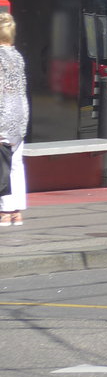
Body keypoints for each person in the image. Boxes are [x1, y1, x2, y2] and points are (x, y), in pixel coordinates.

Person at [0, 12, 30, 227]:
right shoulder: (17, 56)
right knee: (16, 164)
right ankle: (17, 211)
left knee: (2, 164)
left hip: (3, 116)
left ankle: (4, 210)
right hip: (19, 115)